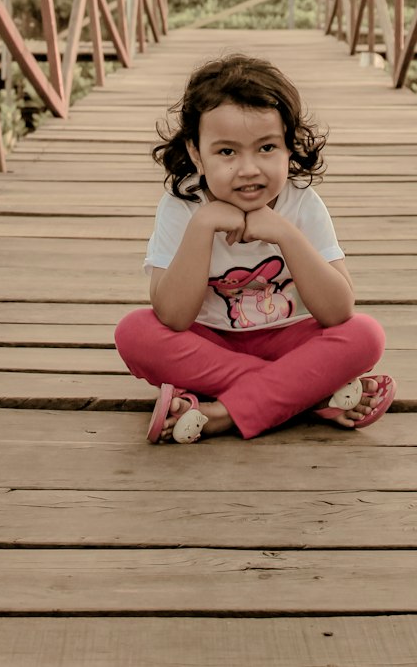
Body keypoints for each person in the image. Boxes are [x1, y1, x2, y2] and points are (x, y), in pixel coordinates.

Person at [114, 53, 396, 443]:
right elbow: (174, 318)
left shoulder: (301, 203)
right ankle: (307, 395)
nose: (249, 168)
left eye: (266, 148)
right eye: (227, 152)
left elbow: (338, 310)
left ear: (288, 147)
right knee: (134, 334)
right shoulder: (182, 207)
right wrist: (202, 226)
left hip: (291, 339)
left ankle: (221, 413)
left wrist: (285, 234)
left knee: (366, 335)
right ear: (196, 153)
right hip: (211, 342)